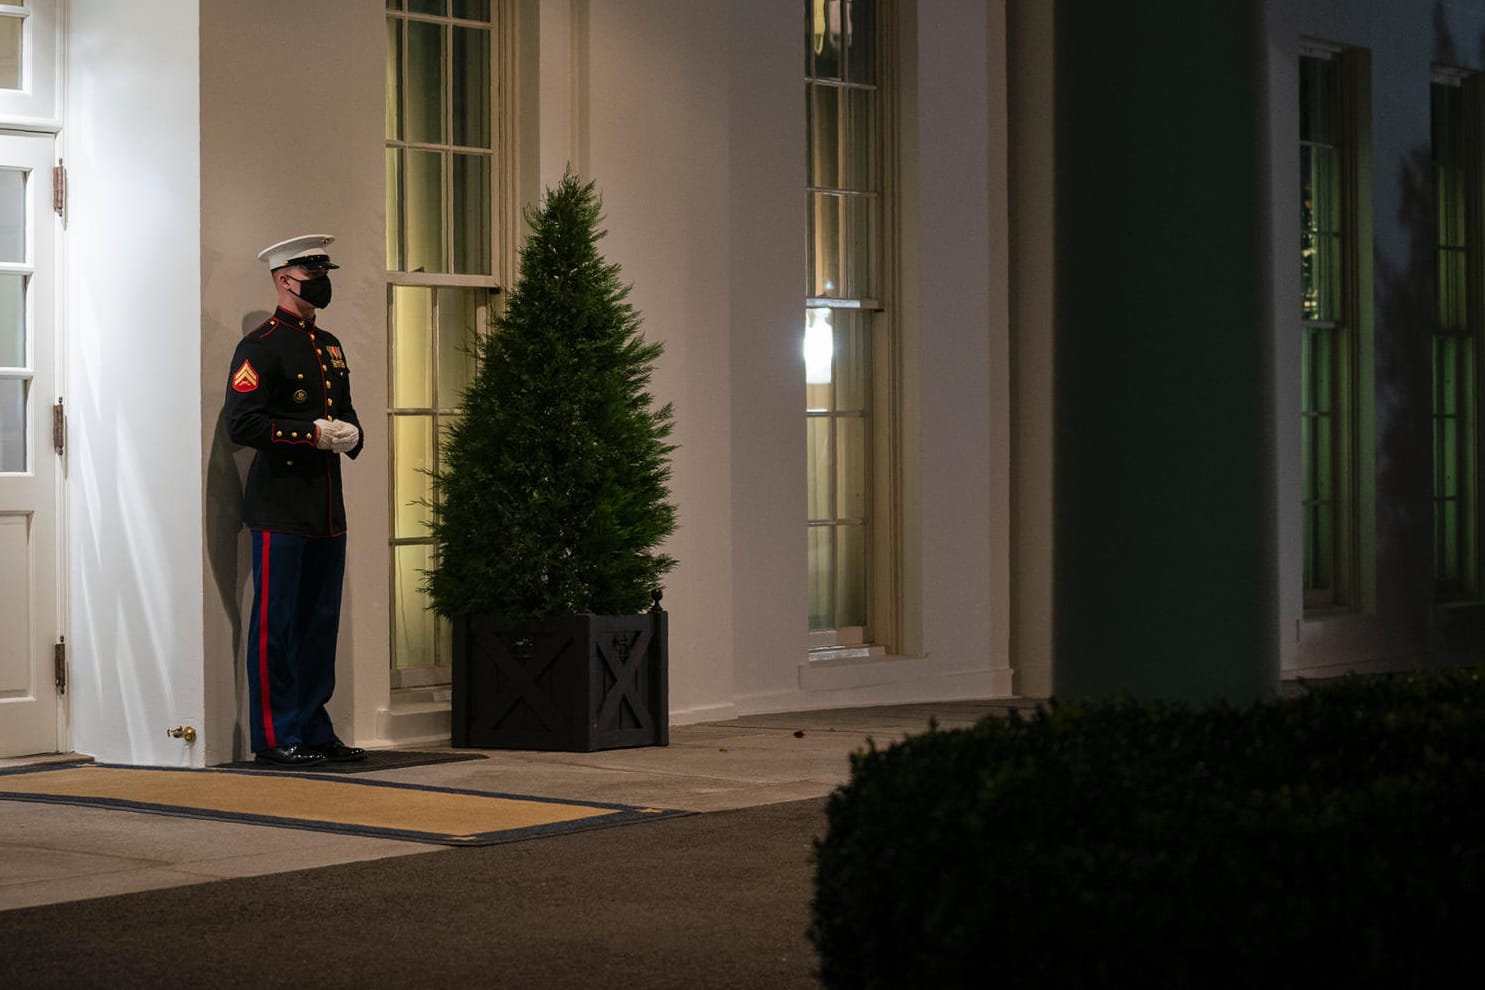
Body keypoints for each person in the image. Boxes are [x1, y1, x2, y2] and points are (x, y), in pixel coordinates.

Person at [225, 234, 367, 767]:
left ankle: (314, 727)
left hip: (326, 505)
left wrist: (351, 434)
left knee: (319, 621)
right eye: (312, 272)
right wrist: (309, 434)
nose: (321, 281)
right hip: (279, 505)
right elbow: (244, 423)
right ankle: (276, 735)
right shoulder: (260, 346)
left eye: (323, 270)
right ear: (285, 279)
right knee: (276, 624)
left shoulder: (328, 343)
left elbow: (345, 408)